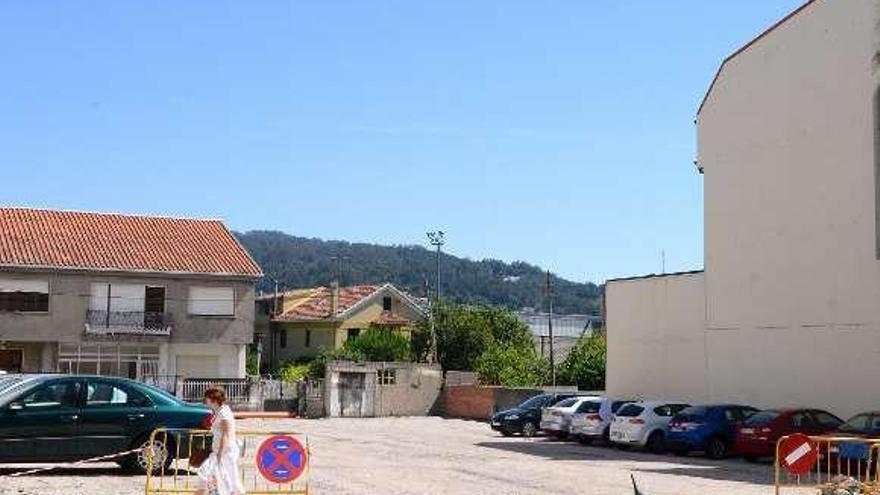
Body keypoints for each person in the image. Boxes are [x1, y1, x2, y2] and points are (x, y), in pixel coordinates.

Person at [196, 386, 245, 495]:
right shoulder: (220, 411)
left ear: (213, 399)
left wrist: (219, 454)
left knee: (232, 482)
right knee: (207, 477)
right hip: (220, 451)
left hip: (225, 453)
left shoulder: (223, 413)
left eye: (207, 398)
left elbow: (225, 434)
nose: (206, 401)